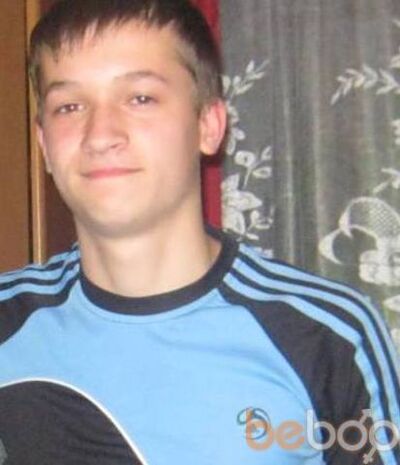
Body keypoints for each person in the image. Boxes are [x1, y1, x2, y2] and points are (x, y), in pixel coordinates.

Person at [0, 0, 399, 464]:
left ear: (208, 125)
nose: (100, 134)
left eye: (140, 98)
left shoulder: (329, 336)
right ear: (44, 145)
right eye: (69, 106)